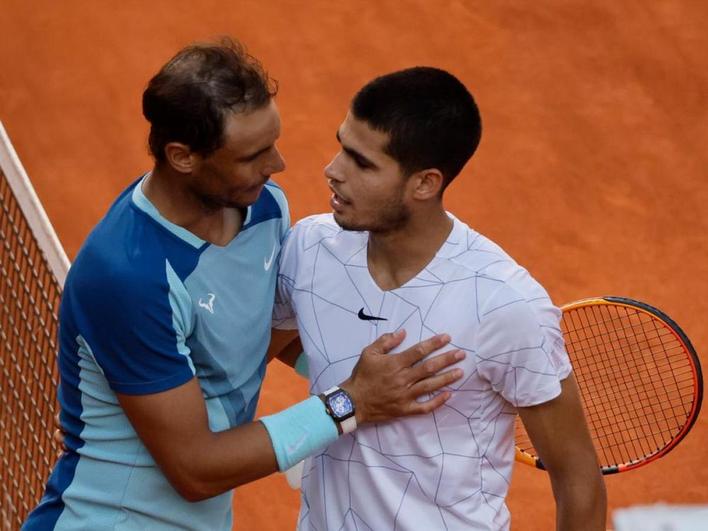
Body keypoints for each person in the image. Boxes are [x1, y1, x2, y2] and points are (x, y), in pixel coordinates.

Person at [22, 40, 466, 530]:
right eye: (253, 155)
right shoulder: (127, 277)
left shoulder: (265, 208)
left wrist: (399, 379)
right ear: (183, 157)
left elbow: (255, 333)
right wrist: (348, 403)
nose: (277, 165)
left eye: (273, 143)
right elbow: (195, 469)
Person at [273, 67, 607, 530]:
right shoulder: (309, 249)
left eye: (362, 162)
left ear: (425, 183)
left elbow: (578, 479)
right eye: (342, 146)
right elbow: (263, 349)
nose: (333, 171)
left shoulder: (503, 304)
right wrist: (357, 389)